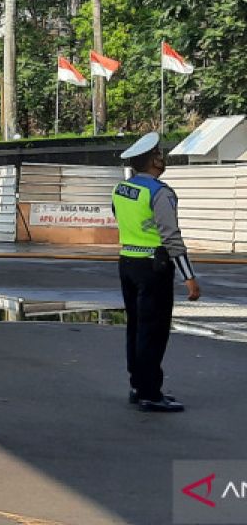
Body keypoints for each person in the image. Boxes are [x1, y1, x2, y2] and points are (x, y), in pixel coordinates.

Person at [112, 132, 201, 413]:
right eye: (159, 156)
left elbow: (119, 217)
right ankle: (151, 393)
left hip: (127, 263)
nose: (162, 160)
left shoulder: (121, 189)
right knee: (154, 331)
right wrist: (189, 277)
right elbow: (171, 236)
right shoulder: (160, 192)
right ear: (151, 161)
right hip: (153, 267)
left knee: (136, 327)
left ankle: (139, 386)